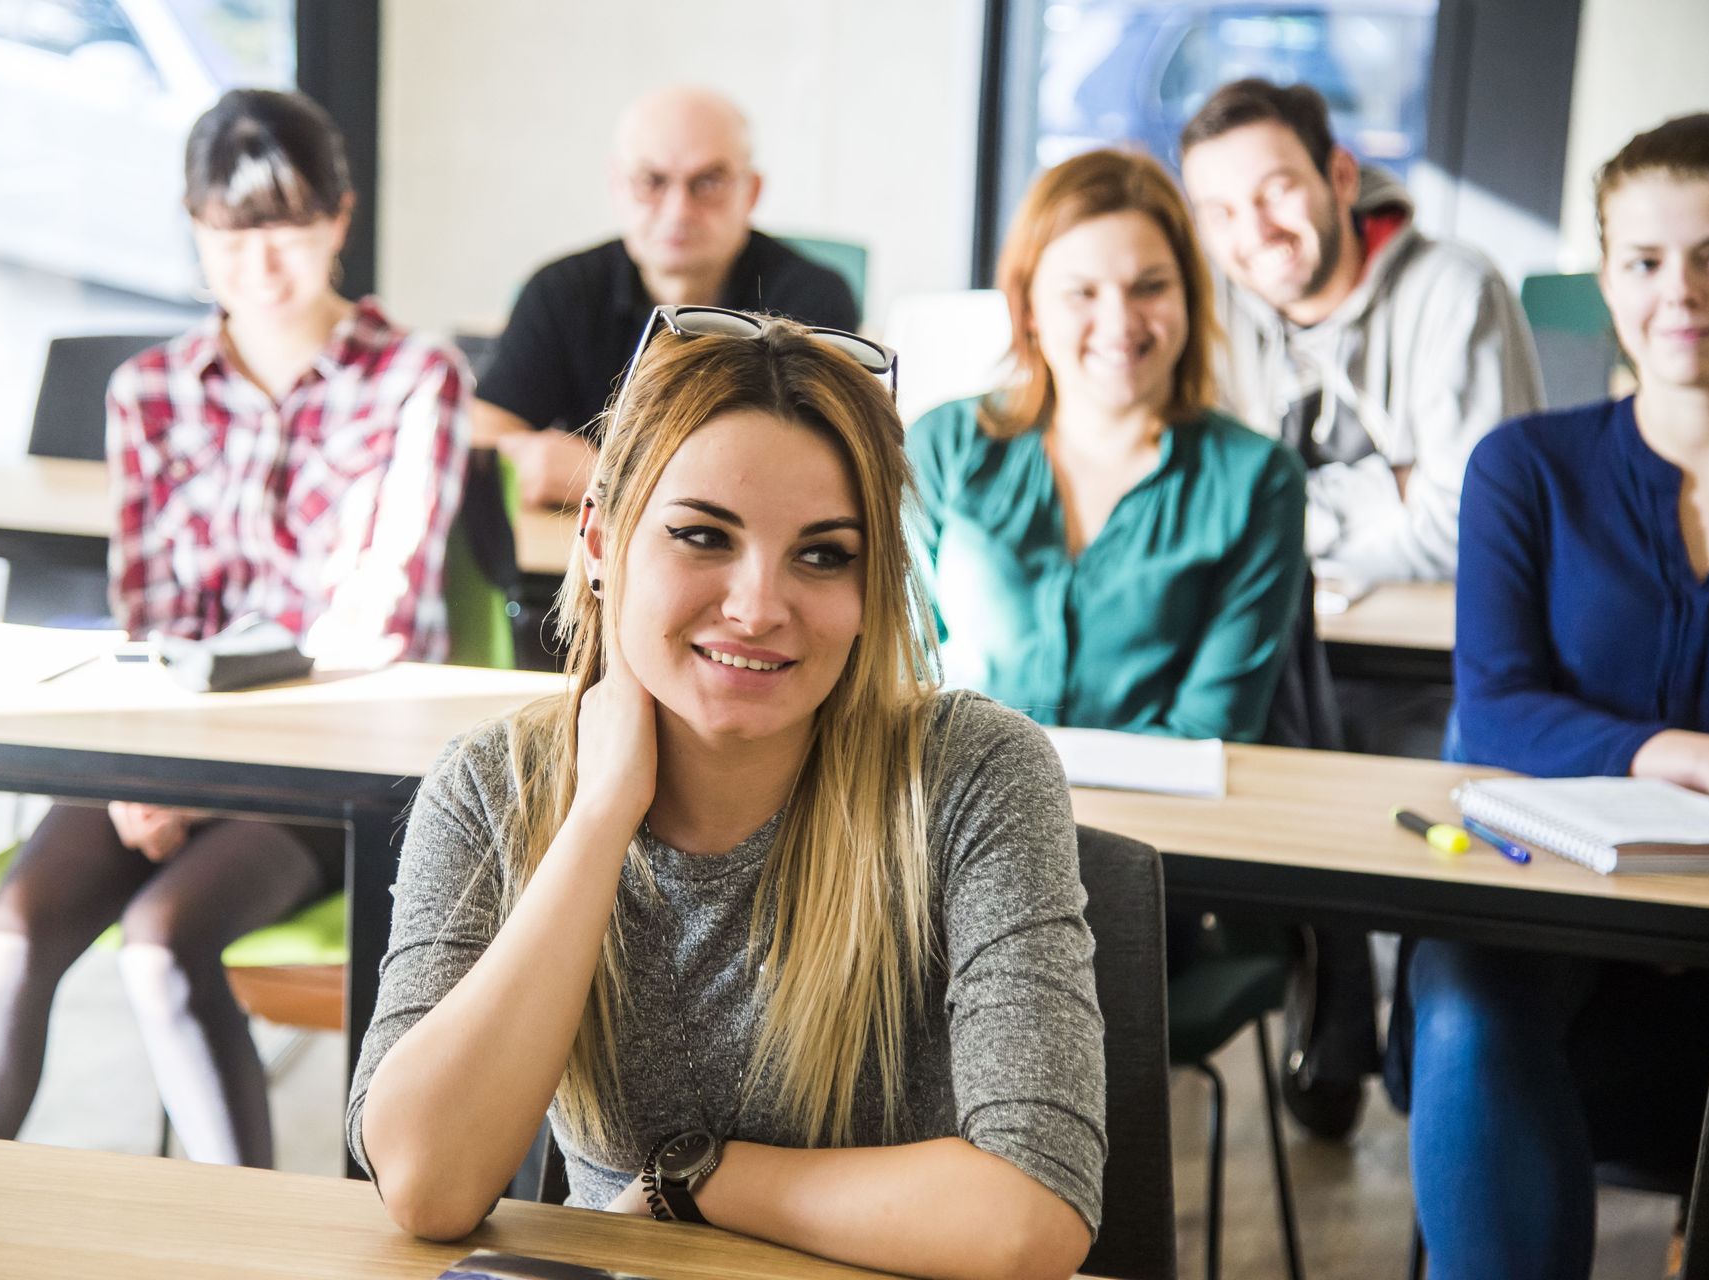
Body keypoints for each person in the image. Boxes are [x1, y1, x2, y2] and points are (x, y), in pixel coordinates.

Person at [348, 309, 1106, 1280]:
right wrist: (597, 815)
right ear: (598, 536)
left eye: (824, 553)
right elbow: (423, 1178)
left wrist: (697, 1181)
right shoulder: (493, 784)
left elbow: (1029, 1214)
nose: (758, 604)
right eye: (704, 535)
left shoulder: (974, 774)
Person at [0, 89, 469, 1169]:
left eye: (286, 228)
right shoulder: (152, 391)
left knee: (163, 942)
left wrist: (204, 777)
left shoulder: (416, 379)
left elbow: (376, 627)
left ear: (339, 218)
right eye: (229, 233)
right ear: (193, 228)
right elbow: (147, 612)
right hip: (169, 745)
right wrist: (149, 766)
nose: (258, 262)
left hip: (340, 764)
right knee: (10, 937)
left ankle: (253, 1243)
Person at [1403, 112, 1709, 1279]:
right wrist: (1706, 756)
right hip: (1553, 913)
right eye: (1644, 260)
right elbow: (1502, 706)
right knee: (1466, 1001)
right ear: (1606, 277)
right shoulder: (1525, 467)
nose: (1682, 293)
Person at [909, 147, 1307, 744]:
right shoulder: (942, 445)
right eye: (1082, 292)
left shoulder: (1258, 479)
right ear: (1030, 308)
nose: (1120, 322)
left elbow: (1210, 729)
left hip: (1152, 825)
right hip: (952, 816)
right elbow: (897, 681)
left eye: (1150, 287)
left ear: (1190, 301)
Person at [1178, 78, 1543, 587]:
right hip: (1263, 644)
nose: (1255, 232)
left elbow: (1476, 531)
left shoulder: (1456, 293)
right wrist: (1396, 489)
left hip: (1414, 653)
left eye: (1276, 192)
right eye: (1221, 213)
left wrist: (1259, 524)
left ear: (1342, 177)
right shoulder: (1204, 311)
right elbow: (1184, 521)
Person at [469, 86, 860, 510]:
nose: (678, 210)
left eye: (707, 182)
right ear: (617, 186)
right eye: (651, 182)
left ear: (751, 192)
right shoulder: (560, 290)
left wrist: (604, 474)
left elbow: (821, 470)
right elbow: (480, 438)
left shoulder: (811, 300)